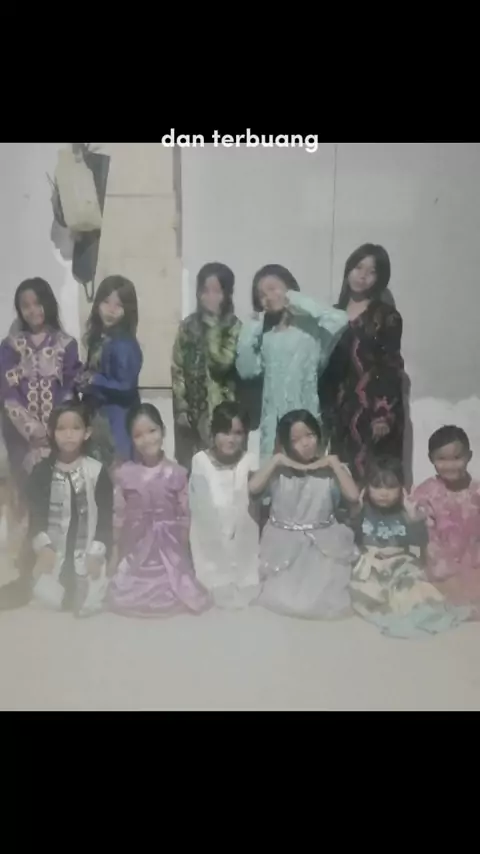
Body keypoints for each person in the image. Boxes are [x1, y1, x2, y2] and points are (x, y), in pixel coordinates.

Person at [249, 410, 359, 619]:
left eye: (310, 435)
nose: (306, 443)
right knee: (284, 598)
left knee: (323, 599)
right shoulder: (278, 470)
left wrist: (334, 463)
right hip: (284, 543)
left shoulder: (331, 469)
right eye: (296, 440)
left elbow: (353, 496)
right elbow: (253, 488)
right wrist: (276, 459)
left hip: (321, 542)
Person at [236, 264, 347, 463]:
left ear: (289, 287)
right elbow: (247, 370)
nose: (268, 297)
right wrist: (252, 327)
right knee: (273, 475)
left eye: (273, 289)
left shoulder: (312, 329)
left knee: (307, 474)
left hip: (305, 418)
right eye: (261, 295)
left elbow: (340, 320)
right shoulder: (266, 335)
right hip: (273, 425)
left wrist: (295, 300)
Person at [350, 455, 470, 638]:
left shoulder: (406, 513)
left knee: (413, 590)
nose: (383, 493)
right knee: (367, 592)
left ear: (402, 488)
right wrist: (356, 512)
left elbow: (420, 541)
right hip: (371, 564)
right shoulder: (363, 511)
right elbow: (352, 539)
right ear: (367, 488)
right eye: (377, 486)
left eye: (391, 487)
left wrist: (413, 518)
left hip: (400, 563)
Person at [108, 403, 211, 617]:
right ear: (131, 439)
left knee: (175, 585)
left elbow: (184, 514)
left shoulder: (177, 473)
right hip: (136, 545)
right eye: (138, 435)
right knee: (125, 590)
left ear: (163, 430)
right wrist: (116, 549)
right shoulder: (125, 474)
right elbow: (119, 514)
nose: (147, 439)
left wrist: (184, 551)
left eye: (152, 431)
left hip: (169, 547)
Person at [318, 245, 405, 484]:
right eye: (358, 267)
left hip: (372, 411)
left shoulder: (386, 316)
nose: (363, 275)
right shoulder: (332, 315)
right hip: (340, 412)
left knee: (375, 478)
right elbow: (323, 368)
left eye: (372, 271)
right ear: (349, 269)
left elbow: (391, 366)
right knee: (342, 477)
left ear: (380, 278)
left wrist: (383, 414)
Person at [26, 402, 113, 616]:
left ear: (87, 432)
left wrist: (96, 552)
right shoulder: (42, 472)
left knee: (94, 592)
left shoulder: (96, 471)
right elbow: (36, 515)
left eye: (75, 428)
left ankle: (85, 591)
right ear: (51, 432)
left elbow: (104, 518)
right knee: (45, 593)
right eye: (61, 428)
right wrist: (44, 547)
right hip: (54, 553)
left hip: (87, 551)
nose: (69, 434)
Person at [0, 278, 82, 500]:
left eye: (38, 303)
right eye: (25, 306)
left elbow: (69, 389)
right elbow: (7, 392)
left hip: (57, 434)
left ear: (48, 302)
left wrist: (52, 428)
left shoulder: (66, 344)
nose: (33, 310)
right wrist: (31, 429)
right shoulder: (10, 346)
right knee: (25, 495)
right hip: (21, 438)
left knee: (59, 494)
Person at [171, 262, 242, 471]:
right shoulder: (188, 326)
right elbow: (177, 367)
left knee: (221, 465)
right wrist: (181, 407)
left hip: (221, 410)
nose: (209, 297)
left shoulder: (233, 326)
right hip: (191, 409)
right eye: (205, 291)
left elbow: (223, 363)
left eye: (217, 291)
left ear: (227, 294)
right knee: (191, 465)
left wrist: (212, 327)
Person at [189, 402, 260, 609]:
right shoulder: (200, 461)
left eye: (238, 433)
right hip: (210, 536)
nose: (231, 439)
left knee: (247, 584)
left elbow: (252, 504)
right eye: (225, 432)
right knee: (214, 580)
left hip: (243, 535)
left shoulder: (250, 460)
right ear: (213, 433)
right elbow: (201, 510)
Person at [413, 426, 480, 618]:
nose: (450, 465)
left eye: (457, 458)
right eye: (442, 459)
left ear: (469, 456)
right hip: (441, 570)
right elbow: (428, 545)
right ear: (431, 459)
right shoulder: (425, 494)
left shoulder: (476, 492)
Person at [81, 275, 143, 467]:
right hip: (98, 415)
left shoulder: (125, 344)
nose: (111, 310)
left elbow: (126, 385)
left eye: (119, 305)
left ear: (128, 310)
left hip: (118, 419)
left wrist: (94, 381)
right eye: (106, 302)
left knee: (118, 469)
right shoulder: (100, 338)